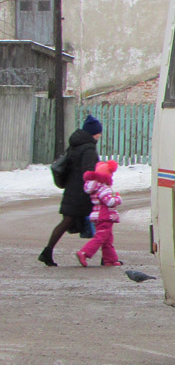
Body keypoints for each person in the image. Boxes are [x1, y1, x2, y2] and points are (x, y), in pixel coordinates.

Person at [37, 114, 101, 267]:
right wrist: (98, 179)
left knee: (68, 222)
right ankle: (106, 255)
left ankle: (47, 251)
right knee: (102, 222)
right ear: (93, 133)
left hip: (72, 190)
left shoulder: (75, 145)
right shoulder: (88, 149)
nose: (100, 135)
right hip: (82, 193)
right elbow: (88, 172)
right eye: (99, 132)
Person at [76, 161, 122, 267]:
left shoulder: (95, 187)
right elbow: (110, 202)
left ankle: (110, 260)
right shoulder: (103, 188)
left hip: (100, 216)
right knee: (100, 238)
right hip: (105, 216)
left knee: (107, 239)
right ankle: (84, 252)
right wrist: (118, 198)